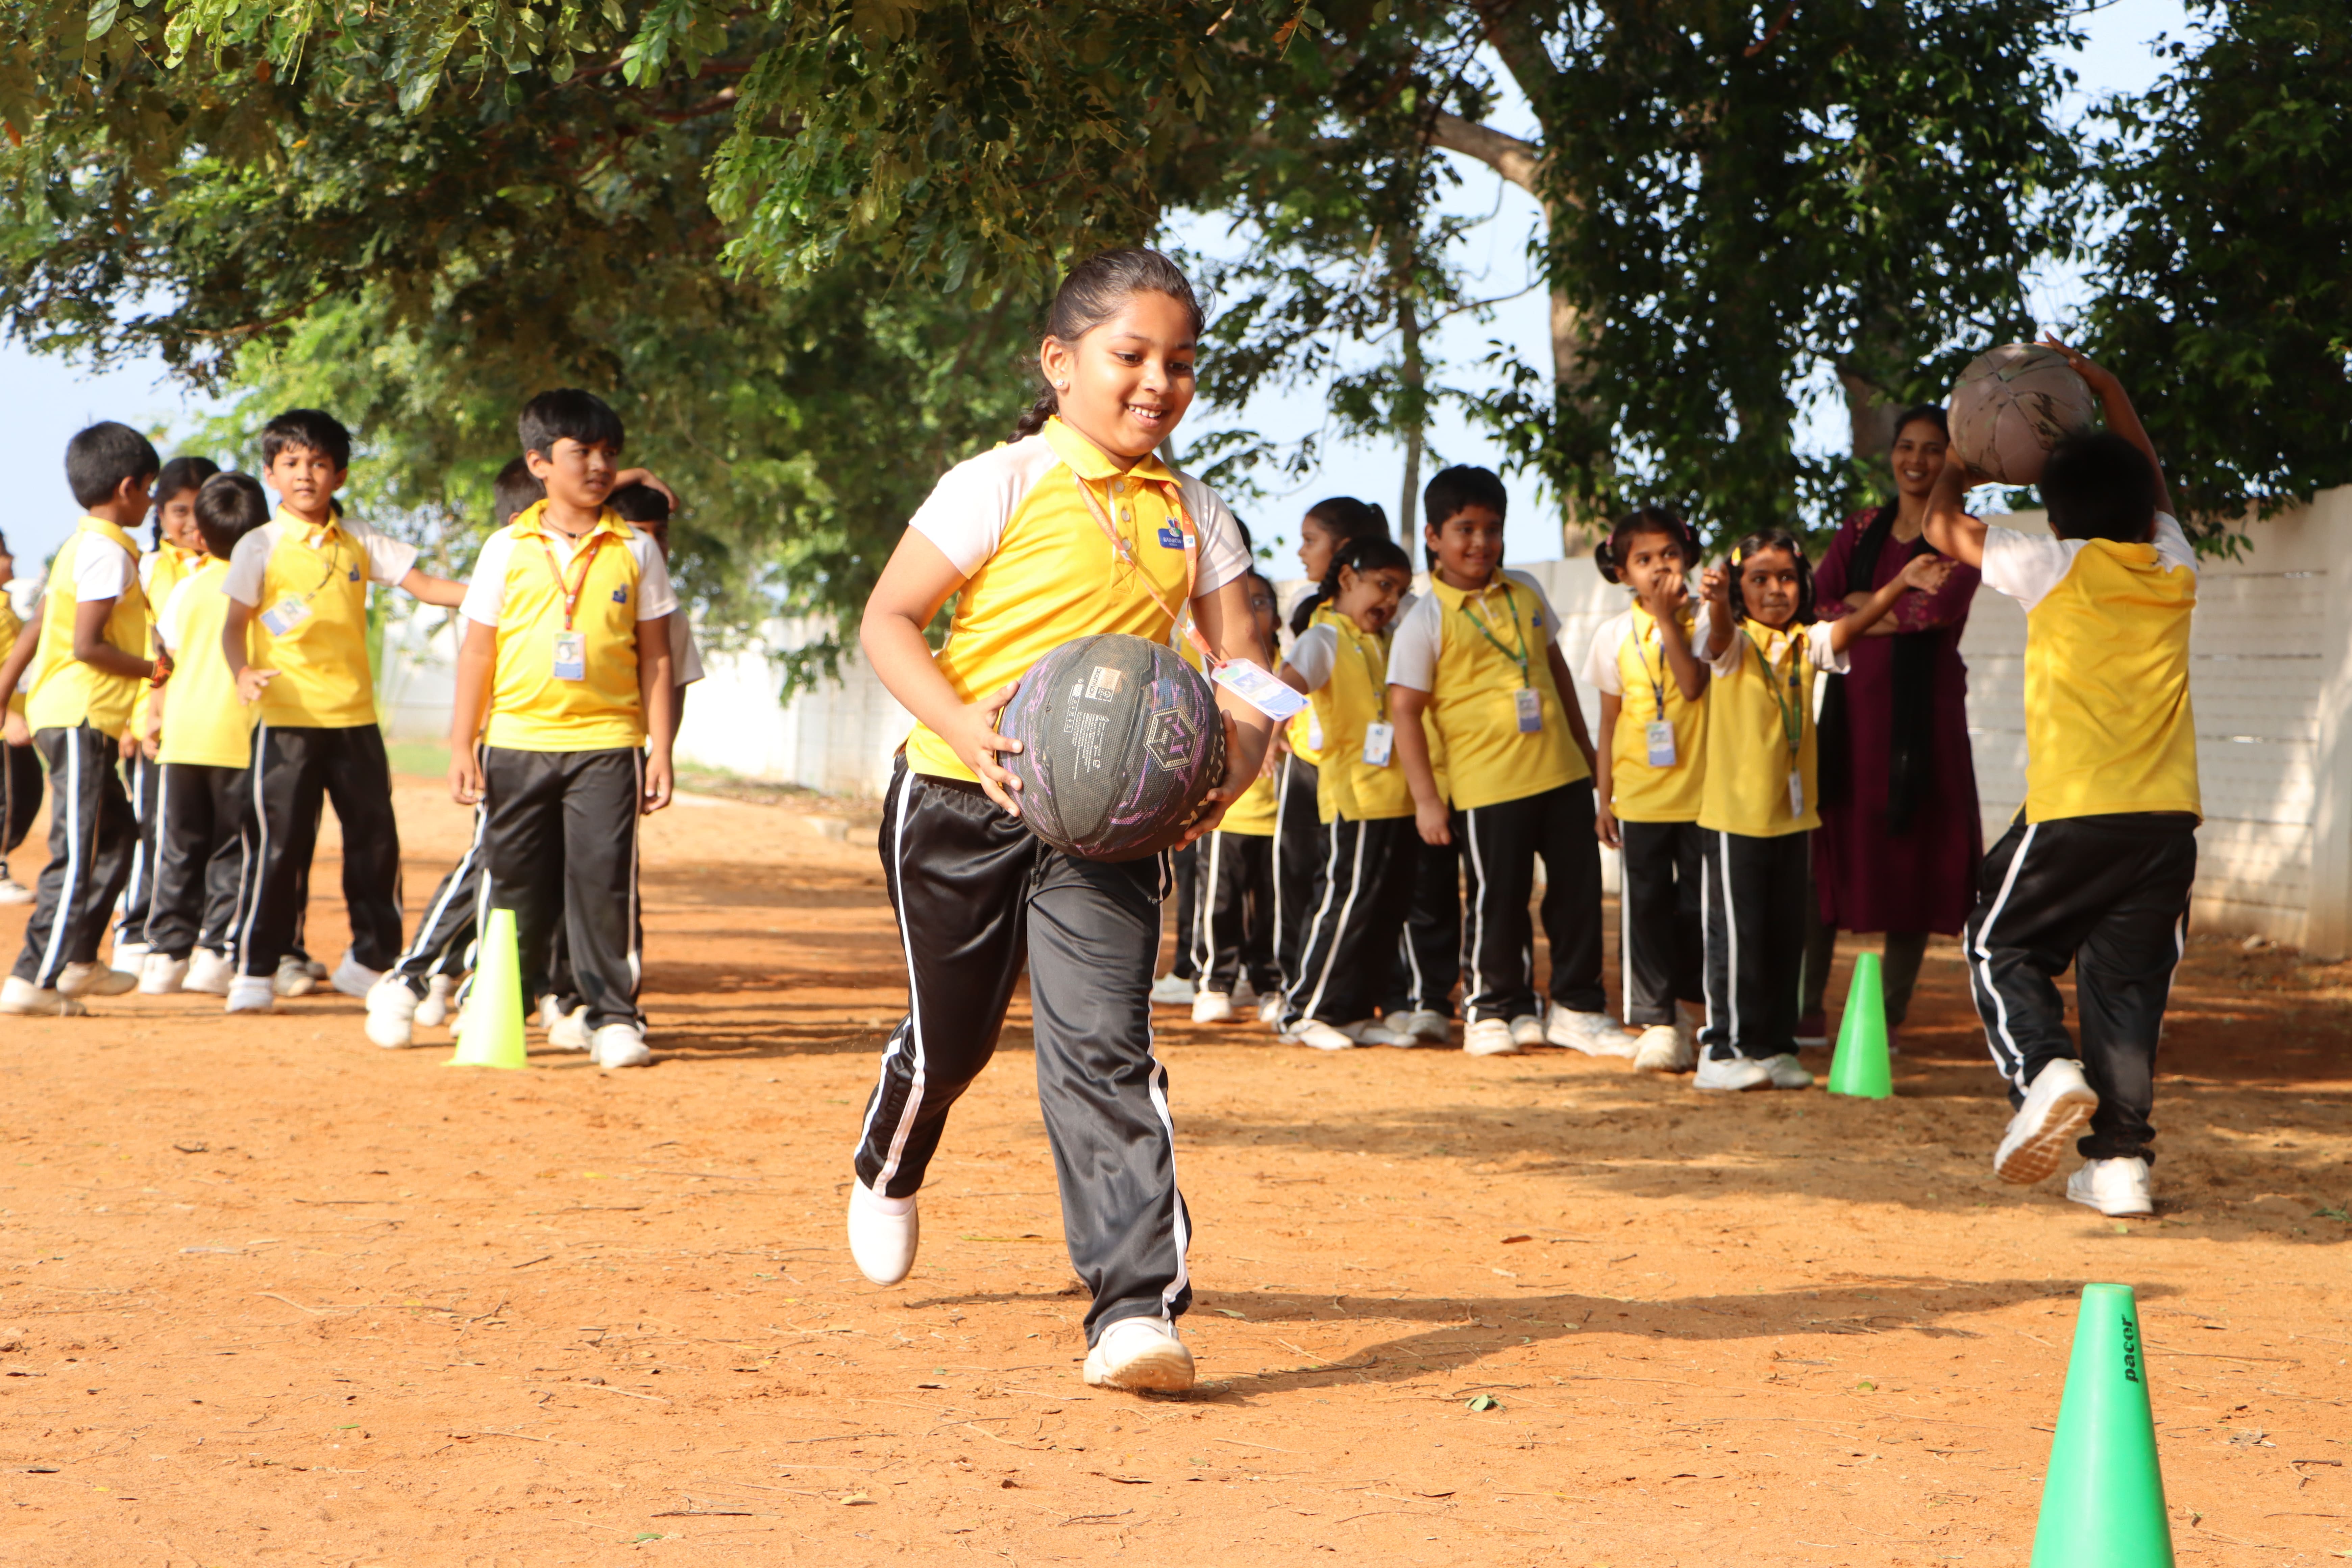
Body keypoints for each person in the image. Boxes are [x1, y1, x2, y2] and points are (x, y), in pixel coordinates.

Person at [851, 247, 1274, 1393]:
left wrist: (1220, 783)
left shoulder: (1200, 514)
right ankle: (893, 1158)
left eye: (1181, 364)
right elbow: (890, 620)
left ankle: (1135, 1310)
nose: (1158, 383)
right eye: (1130, 356)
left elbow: (1251, 673)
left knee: (1103, 1051)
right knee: (957, 1039)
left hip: (1110, 829)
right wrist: (967, 725)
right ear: (1060, 361)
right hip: (956, 794)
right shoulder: (1001, 480)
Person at [1922, 342, 2197, 1222]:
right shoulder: (2172, 567)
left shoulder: (2052, 566)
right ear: (2147, 510)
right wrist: (2111, 389)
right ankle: (2120, 1168)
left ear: (2056, 515)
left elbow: (1940, 527)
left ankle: (2041, 1071)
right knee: (2126, 991)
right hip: (2166, 826)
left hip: (2077, 809)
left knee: (1999, 942)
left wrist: (1963, 459)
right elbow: (2149, 483)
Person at [440, 391, 678, 1070]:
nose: (600, 466)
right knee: (511, 883)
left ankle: (612, 1017)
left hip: (609, 743)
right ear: (539, 463)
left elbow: (657, 655)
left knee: (603, 884)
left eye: (610, 453)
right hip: (515, 741)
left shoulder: (637, 548)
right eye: (582, 453)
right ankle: (497, 1010)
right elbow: (478, 650)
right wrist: (463, 742)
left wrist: (661, 748)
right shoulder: (504, 548)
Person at [220, 409, 468, 1014]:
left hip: (356, 721)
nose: (306, 475)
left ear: (341, 475)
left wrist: (502, 596)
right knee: (280, 848)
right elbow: (234, 628)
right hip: (287, 723)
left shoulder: (360, 537)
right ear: (272, 474)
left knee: (375, 845)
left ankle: (372, 961)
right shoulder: (260, 545)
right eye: (292, 464)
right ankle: (256, 968)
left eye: (320, 464)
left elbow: (426, 585)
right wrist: (243, 672)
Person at [1694, 532, 1951, 1091]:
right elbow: (1715, 637)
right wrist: (1716, 604)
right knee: (1736, 939)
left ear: (1804, 584)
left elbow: (1855, 626)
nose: (1775, 590)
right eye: (1758, 580)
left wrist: (1901, 583)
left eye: (1786, 578)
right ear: (1738, 591)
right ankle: (1723, 1048)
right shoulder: (1735, 641)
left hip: (1794, 819)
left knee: (1787, 938)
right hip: (1735, 820)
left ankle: (1773, 1045)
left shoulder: (1806, 643)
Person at [1388, 465, 1627, 1059]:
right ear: (1433, 537)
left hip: (1565, 774)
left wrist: (1590, 753)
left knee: (1577, 893)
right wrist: (1425, 801)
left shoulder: (1525, 590)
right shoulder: (1425, 618)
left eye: (1493, 529)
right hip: (1486, 786)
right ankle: (1494, 1007)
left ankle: (1575, 1007)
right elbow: (1405, 713)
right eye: (1464, 529)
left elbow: (1558, 674)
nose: (1480, 543)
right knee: (1500, 899)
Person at [1800, 406, 1983, 1044]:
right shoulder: (1861, 529)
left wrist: (1857, 610)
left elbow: (1929, 618)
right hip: (1849, 724)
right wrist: (1873, 605)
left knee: (1915, 862)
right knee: (1826, 858)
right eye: (1907, 446)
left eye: (1934, 450)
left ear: (1953, 462)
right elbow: (1814, 607)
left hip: (1923, 729)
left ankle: (1890, 1015)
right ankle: (1806, 1009)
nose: (1917, 460)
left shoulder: (1964, 536)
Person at [0, 423, 161, 1016]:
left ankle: (77, 964)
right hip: (80, 714)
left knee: (118, 837)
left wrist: (4, 688)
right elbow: (89, 645)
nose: (150, 502)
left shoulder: (79, 546)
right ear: (128, 487)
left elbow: (43, 622)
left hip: (67, 713)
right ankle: (33, 978)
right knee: (76, 850)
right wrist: (152, 670)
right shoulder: (106, 553)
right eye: (149, 490)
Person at [1275, 536, 1421, 1049]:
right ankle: (1304, 1011)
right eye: (1383, 585)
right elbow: (1281, 691)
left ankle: (1356, 1011)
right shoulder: (1324, 638)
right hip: (1353, 798)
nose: (1390, 601)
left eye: (1400, 592)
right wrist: (1264, 746)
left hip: (1397, 799)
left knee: (1384, 908)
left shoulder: (1384, 639)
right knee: (1344, 902)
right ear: (1346, 580)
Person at [1585, 508, 1709, 1073]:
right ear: (1621, 572)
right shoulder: (1612, 635)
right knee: (1646, 908)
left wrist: (1666, 618)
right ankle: (1658, 1021)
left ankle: (1696, 1009)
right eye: (1643, 560)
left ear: (1688, 557)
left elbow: (1690, 683)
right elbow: (1609, 724)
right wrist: (1604, 799)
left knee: (1698, 909)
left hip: (1706, 797)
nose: (1659, 567)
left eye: (1669, 554)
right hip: (1640, 799)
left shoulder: (1709, 621)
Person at [1259, 496, 1393, 1022]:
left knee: (1344, 885)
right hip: (1306, 760)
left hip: (1356, 770)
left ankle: (1358, 996)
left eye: (1311, 541)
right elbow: (1287, 688)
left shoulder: (1378, 616)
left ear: (1345, 554)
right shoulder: (1314, 620)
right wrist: (1272, 736)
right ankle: (1293, 984)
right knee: (1297, 876)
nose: (1300, 552)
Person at [137, 472, 268, 995]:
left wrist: (154, 714)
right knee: (231, 850)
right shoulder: (264, 583)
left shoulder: (189, 587)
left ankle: (166, 955)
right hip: (241, 735)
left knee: (178, 847)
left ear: (202, 537)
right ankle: (215, 951)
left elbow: (162, 657)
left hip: (184, 735)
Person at [112, 455, 221, 980]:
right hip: (158, 723)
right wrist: (137, 719)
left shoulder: (229, 569)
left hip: (215, 723)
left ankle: (199, 931)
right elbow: (138, 644)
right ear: (158, 511)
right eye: (180, 511)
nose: (192, 523)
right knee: (154, 830)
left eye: (203, 510)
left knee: (206, 833)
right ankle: (136, 929)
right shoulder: (148, 567)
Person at [1188, 570, 1285, 1024]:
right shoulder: (1214, 668)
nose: (1254, 610)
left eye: (1262, 602)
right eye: (1248, 602)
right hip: (1230, 810)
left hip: (1277, 814)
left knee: (1270, 905)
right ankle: (1214, 982)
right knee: (1219, 902)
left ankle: (1269, 983)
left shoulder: (1286, 669)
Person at [0, 529, 41, 905]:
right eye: (2, 555)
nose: (10, 560)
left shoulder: (7, 605)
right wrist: (10, 715)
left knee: (24, 793)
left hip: (15, 720)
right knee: (15, 797)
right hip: (5, 726)